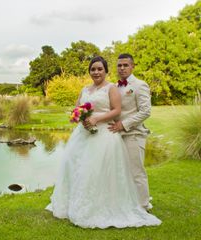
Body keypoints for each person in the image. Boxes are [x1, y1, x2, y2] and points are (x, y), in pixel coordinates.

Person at [46, 56, 161, 229]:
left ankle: (141, 206)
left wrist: (99, 119)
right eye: (93, 69)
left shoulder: (118, 87)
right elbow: (77, 109)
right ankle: (81, 203)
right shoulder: (86, 88)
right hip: (85, 135)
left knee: (133, 172)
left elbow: (119, 110)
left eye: (100, 69)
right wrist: (78, 117)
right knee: (82, 169)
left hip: (120, 133)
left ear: (106, 71)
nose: (96, 72)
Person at [108, 53, 152, 211]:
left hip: (133, 135)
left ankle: (143, 206)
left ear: (132, 66)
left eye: (125, 65)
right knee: (120, 172)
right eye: (119, 65)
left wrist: (124, 124)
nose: (122, 68)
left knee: (136, 171)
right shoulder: (113, 86)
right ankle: (127, 201)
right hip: (116, 136)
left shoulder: (140, 85)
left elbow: (146, 111)